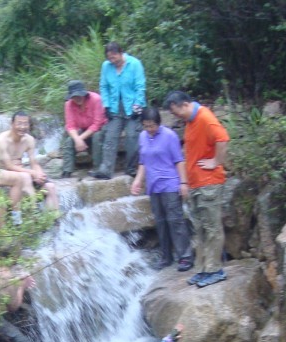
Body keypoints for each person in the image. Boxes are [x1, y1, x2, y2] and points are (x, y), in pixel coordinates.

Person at [164, 90, 231, 288]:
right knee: (200, 230)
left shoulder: (205, 117)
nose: (175, 116)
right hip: (197, 184)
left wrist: (216, 162)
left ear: (184, 104)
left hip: (209, 183)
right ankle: (203, 269)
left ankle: (215, 270)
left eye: (176, 112)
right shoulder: (191, 121)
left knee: (212, 228)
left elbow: (223, 139)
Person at [130, 107, 192, 272]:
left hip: (170, 183)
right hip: (153, 185)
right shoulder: (142, 136)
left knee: (175, 220)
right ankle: (166, 257)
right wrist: (137, 181)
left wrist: (184, 183)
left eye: (152, 126)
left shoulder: (169, 136)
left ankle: (185, 256)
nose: (149, 129)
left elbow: (179, 161)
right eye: (146, 126)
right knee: (161, 222)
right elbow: (143, 162)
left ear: (159, 123)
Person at [0, 111, 59, 225]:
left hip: (23, 172)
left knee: (50, 186)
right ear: (12, 124)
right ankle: (34, 213)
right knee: (25, 176)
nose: (22, 127)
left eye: (25, 124)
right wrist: (32, 173)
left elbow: (34, 162)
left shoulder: (29, 139)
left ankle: (53, 221)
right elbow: (8, 165)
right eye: (19, 123)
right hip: (5, 175)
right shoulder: (1, 140)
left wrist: (40, 174)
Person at [92, 42, 146, 180]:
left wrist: (137, 107)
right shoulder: (106, 66)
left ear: (121, 53)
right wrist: (107, 106)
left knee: (132, 136)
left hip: (133, 106)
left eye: (114, 56)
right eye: (109, 57)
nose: (112, 60)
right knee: (110, 136)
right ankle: (106, 169)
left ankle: (131, 168)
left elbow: (140, 87)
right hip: (115, 107)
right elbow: (103, 86)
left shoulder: (135, 64)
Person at [61, 80, 107, 179]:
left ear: (84, 93)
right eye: (74, 96)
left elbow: (97, 124)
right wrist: (77, 139)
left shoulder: (96, 99)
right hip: (83, 129)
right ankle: (67, 170)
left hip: (100, 129)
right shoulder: (68, 104)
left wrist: (80, 139)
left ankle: (97, 168)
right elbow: (70, 125)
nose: (77, 98)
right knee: (70, 141)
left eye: (79, 95)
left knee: (97, 136)